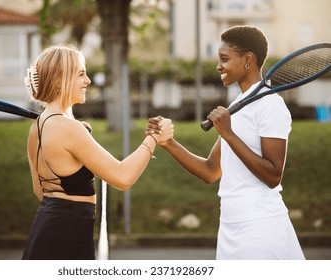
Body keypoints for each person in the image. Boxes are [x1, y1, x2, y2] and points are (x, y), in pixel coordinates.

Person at [147, 25, 305, 260]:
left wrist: (229, 134)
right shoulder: (238, 106)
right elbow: (211, 171)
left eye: (224, 58)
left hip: (260, 227)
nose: (219, 66)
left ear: (248, 59)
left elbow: (273, 176)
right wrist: (168, 142)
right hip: (230, 225)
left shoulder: (270, 105)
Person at [21, 44, 173, 260]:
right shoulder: (68, 129)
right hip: (67, 236)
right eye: (81, 74)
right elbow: (122, 177)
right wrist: (154, 138)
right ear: (61, 79)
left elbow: (41, 191)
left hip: (46, 228)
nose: (88, 81)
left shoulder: (37, 127)